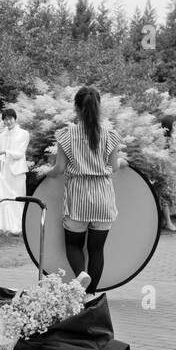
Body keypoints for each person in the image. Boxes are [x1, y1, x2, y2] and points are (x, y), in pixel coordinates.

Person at [47, 85, 125, 294]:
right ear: (98, 107)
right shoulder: (110, 135)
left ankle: (81, 275)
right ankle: (90, 296)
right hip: (103, 196)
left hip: (78, 196)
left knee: (73, 246)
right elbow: (115, 167)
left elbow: (60, 168)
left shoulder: (66, 135)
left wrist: (47, 173)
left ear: (76, 107)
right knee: (96, 250)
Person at [0, 108, 31, 198]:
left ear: (15, 119)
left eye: (10, 119)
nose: (8, 121)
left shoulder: (24, 133)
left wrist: (5, 152)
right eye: (6, 119)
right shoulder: (1, 135)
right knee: (4, 197)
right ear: (3, 121)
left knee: (18, 197)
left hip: (17, 171)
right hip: (4, 170)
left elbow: (20, 153)